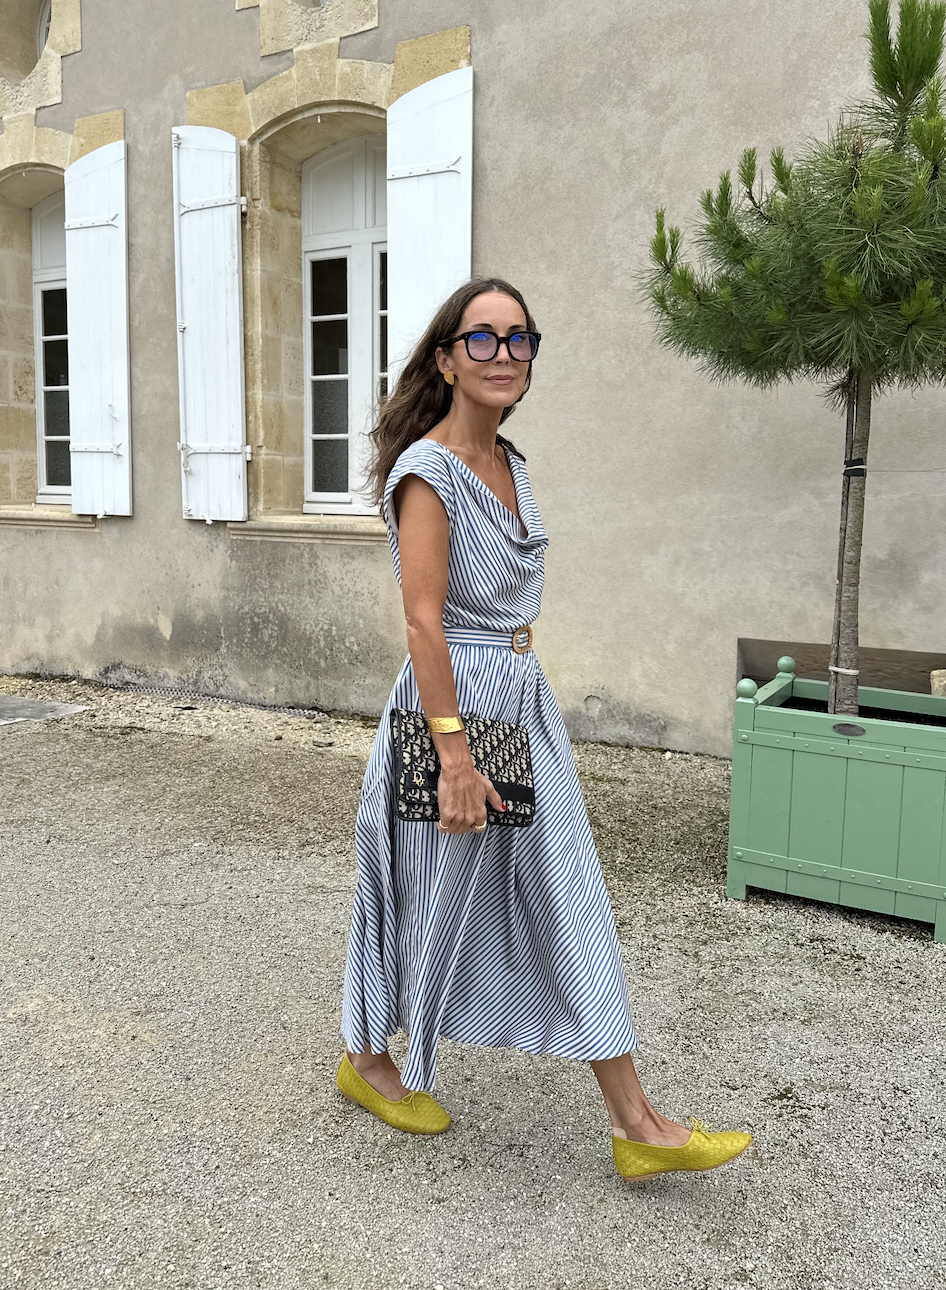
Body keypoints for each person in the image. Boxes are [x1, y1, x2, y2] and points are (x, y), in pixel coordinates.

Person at [337, 277, 751, 1181]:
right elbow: (421, 620)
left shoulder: (512, 464)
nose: (503, 356)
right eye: (481, 340)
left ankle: (636, 1121)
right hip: (454, 708)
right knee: (416, 881)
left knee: (566, 892)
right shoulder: (428, 473)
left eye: (519, 339)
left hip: (520, 701)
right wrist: (453, 754)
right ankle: (370, 1060)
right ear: (446, 358)